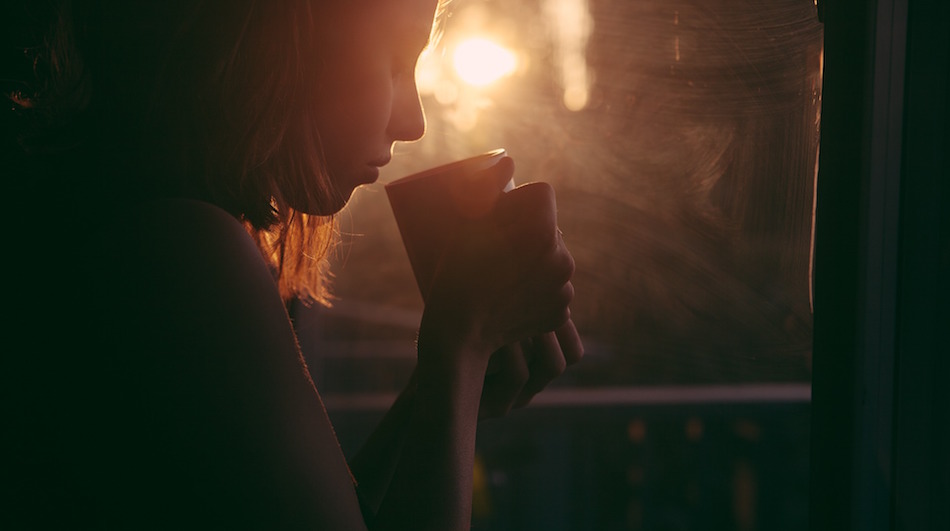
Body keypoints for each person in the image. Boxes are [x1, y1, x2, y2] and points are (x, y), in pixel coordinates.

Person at [5, 0, 582, 528]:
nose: (414, 123)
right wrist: (463, 342)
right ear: (285, 44)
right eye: (396, 61)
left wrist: (437, 399)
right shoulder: (179, 251)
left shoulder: (137, 220)